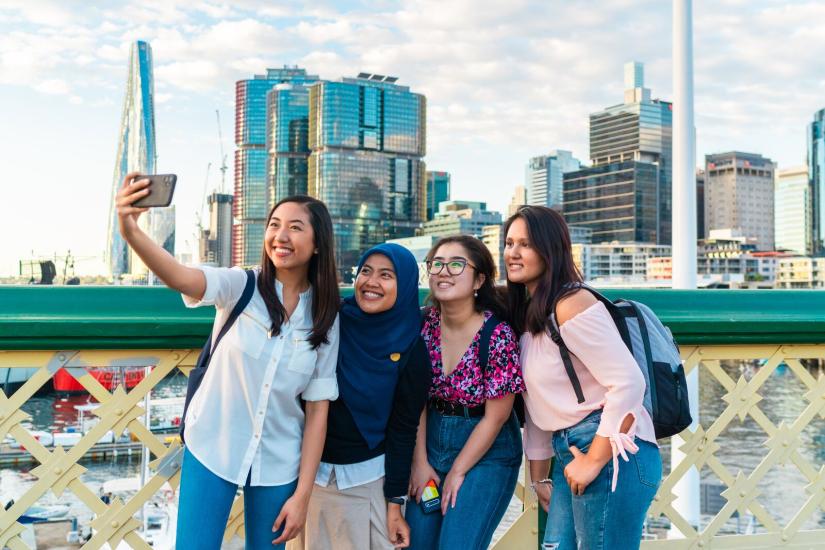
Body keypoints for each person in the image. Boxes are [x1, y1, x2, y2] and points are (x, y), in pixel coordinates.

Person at [115, 173, 340, 549]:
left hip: (279, 459)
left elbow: (318, 411)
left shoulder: (326, 315)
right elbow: (181, 277)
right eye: (274, 225)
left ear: (318, 244)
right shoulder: (241, 286)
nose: (280, 236)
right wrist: (130, 230)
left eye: (295, 228)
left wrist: (302, 495)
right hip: (212, 444)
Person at [505, 205, 662, 550]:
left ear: (550, 250)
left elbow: (628, 382)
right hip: (570, 451)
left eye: (526, 245)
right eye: (509, 242)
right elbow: (538, 405)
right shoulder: (531, 316)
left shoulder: (571, 304)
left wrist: (594, 461)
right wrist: (539, 475)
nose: (513, 253)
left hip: (611, 450)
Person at [289, 243, 430, 550]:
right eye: (366, 271)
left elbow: (403, 430)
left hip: (366, 484)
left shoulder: (411, 348)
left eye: (386, 275)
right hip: (308, 482)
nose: (371, 282)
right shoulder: (330, 319)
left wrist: (394, 506)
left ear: (405, 285)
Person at [405, 235, 524, 550]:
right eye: (436, 264)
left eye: (457, 264)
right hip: (430, 442)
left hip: (487, 451)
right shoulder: (422, 325)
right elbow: (414, 399)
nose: (444, 272)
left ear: (479, 279)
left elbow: (496, 417)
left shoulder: (497, 335)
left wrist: (459, 470)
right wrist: (419, 462)